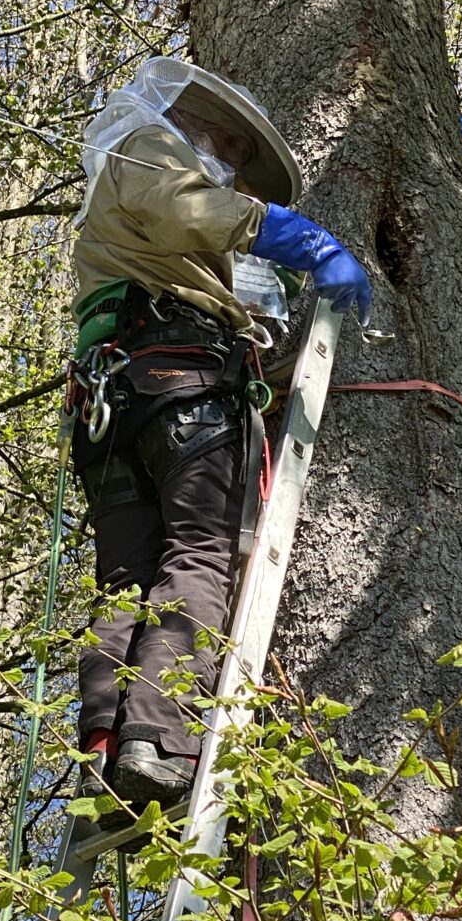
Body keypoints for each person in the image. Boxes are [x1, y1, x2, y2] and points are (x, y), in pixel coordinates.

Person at [70, 57, 371, 816]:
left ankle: (104, 748)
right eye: (231, 154)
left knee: (126, 581)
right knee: (199, 552)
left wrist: (257, 288)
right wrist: (288, 235)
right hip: (176, 386)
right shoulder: (151, 150)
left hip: (113, 404)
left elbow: (188, 250)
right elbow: (189, 210)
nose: (234, 171)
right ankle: (159, 742)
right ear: (199, 127)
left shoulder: (123, 204)